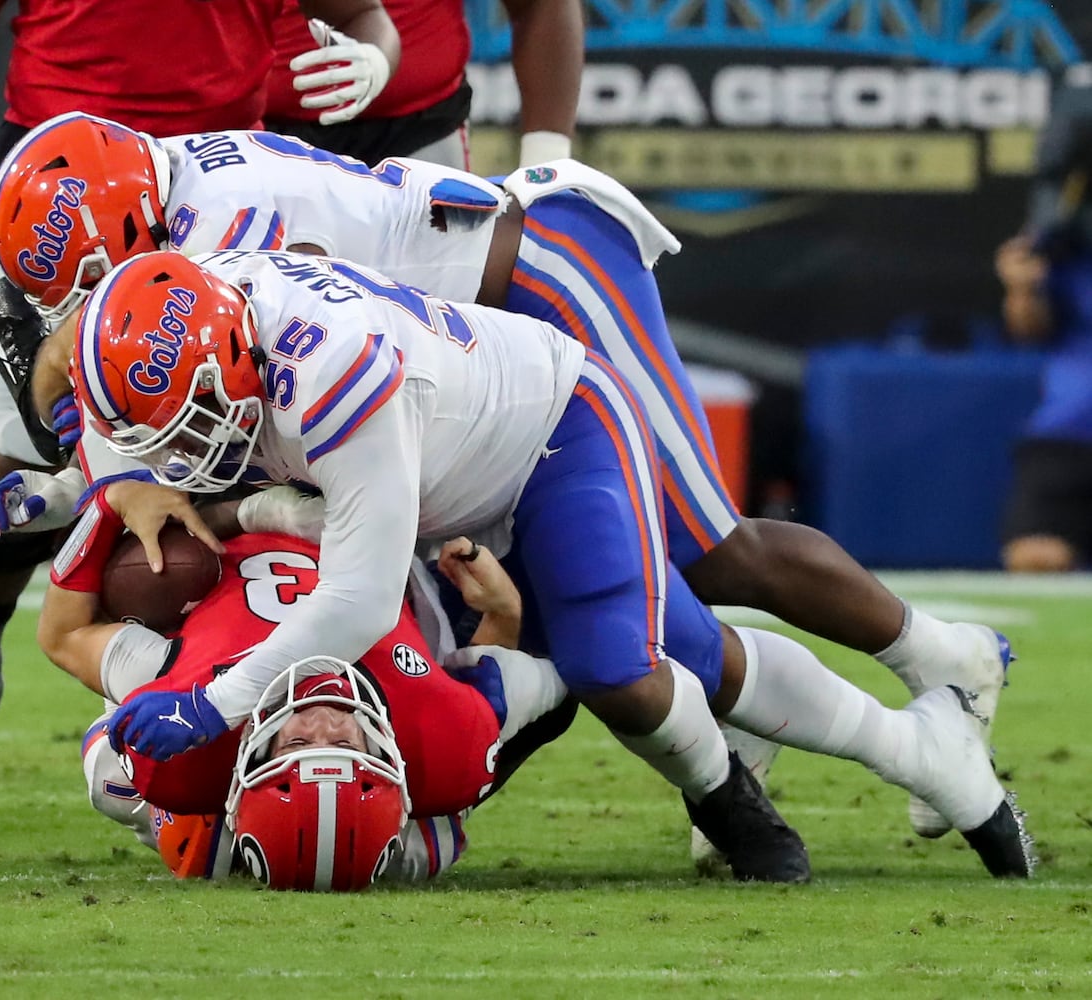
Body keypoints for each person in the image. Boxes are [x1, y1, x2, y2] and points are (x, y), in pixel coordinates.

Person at [0, 113, 1014, 841]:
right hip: (451, 359)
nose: (73, 315)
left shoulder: (223, 239)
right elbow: (117, 372)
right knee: (596, 611)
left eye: (76, 287)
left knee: (710, 548)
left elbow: (282, 407)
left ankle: (945, 657)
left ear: (123, 232)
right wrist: (103, 471)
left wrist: (99, 477)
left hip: (541, 282)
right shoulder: (162, 204)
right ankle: (753, 721)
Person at [73, 250, 1035, 882]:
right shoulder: (212, 302)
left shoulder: (334, 377)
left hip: (549, 433)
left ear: (236, 359)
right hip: (435, 484)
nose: (188, 452)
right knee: (689, 654)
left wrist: (210, 704)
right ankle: (921, 748)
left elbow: (358, 601)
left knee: (616, 664)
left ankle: (751, 799)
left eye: (195, 423)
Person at [0, 0, 401, 817]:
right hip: (53, 197)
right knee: (4, 468)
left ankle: (205, 689)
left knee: (214, 452)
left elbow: (368, 18)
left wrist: (375, 58)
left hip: (204, 198)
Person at [41, 513, 568, 889]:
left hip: (217, 506)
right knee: (434, 835)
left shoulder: (179, 736)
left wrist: (104, 504)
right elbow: (554, 689)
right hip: (380, 519)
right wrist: (505, 616)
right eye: (342, 741)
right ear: (388, 759)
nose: (323, 718)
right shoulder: (440, 748)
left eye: (299, 741)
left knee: (179, 829)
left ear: (254, 753)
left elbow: (62, 635)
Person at [263, 0, 581, 169]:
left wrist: (545, 166)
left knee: (443, 289)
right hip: (260, 138)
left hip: (420, 129)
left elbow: (539, 4)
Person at [995, 74, 1092, 573]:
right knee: (1035, 556)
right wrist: (1022, 286)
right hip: (1073, 424)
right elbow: (1029, 330)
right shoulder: (1067, 238)